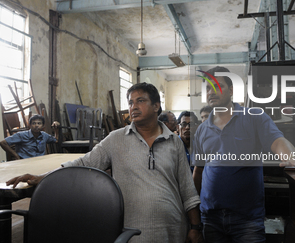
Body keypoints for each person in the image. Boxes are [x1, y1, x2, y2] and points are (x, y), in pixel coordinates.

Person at [7, 83, 203, 243]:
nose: (133, 107)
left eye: (140, 101)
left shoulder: (174, 142)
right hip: (132, 232)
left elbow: (187, 189)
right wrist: (42, 177)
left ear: (156, 106)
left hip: (173, 229)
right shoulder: (115, 139)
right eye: (130, 102)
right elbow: (84, 163)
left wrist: (195, 227)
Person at [192, 66, 295, 243]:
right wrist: (195, 218)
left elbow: (277, 141)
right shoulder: (201, 130)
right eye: (207, 88)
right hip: (210, 218)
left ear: (231, 90)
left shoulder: (254, 117)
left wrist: (292, 156)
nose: (211, 92)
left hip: (246, 219)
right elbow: (198, 172)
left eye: (217, 86)